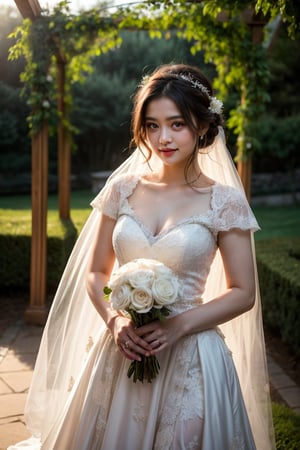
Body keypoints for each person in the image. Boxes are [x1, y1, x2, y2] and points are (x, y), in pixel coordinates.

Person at [9, 63, 275, 450]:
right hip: (124, 346)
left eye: (176, 124)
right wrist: (116, 321)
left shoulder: (224, 201)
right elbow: (97, 273)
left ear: (201, 126)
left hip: (192, 355)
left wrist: (177, 326)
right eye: (152, 125)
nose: (162, 138)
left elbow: (243, 291)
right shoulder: (123, 189)